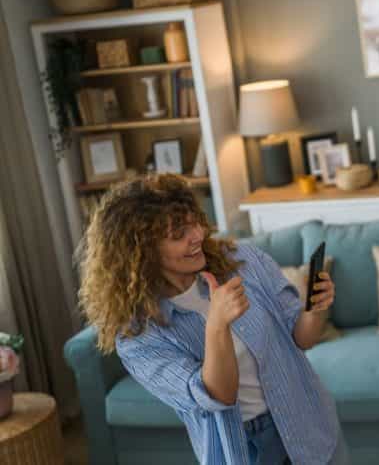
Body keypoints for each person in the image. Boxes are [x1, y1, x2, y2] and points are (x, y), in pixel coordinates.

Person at [78, 174, 350, 464]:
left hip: (308, 423)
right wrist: (217, 325)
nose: (197, 235)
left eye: (194, 221)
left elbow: (302, 338)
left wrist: (316, 307)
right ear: (141, 251)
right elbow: (218, 395)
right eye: (179, 234)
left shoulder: (242, 261)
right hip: (245, 450)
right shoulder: (138, 336)